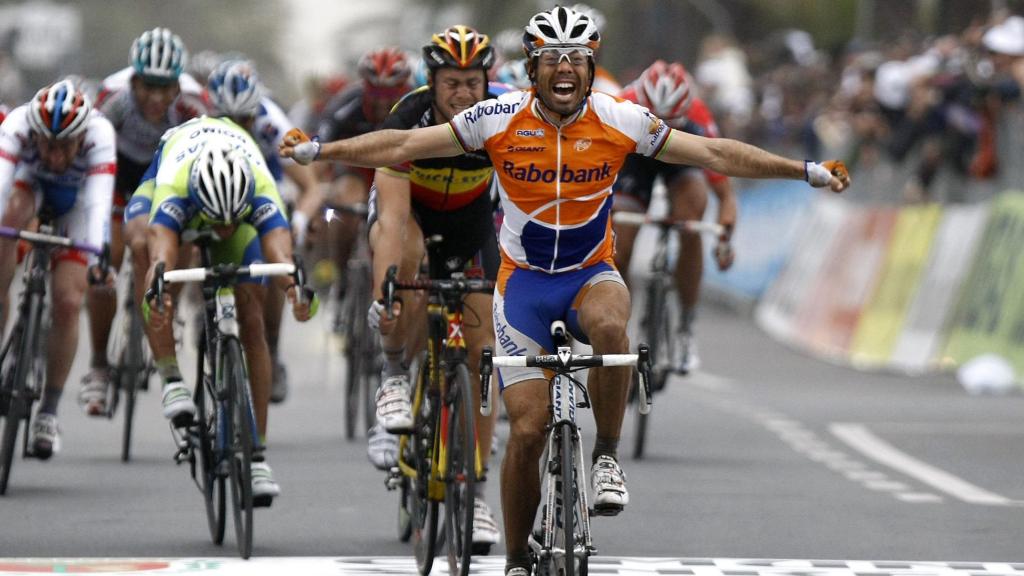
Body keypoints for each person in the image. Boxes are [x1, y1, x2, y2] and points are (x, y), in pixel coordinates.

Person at [279, 7, 850, 574]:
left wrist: (805, 170)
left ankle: (605, 456)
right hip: (523, 286)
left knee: (611, 327)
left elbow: (715, 153)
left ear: (589, 65)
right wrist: (320, 152)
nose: (565, 68)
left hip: (588, 276)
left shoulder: (620, 119)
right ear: (533, 67)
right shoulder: (496, 118)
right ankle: (515, 559)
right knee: (526, 431)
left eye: (576, 58)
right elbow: (401, 145)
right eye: (552, 58)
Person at [364, 24, 502, 550]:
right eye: (452, 82)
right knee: (411, 264)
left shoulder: (502, 119)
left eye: (473, 81)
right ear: (431, 82)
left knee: (483, 350)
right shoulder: (407, 120)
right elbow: (394, 223)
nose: (464, 93)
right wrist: (387, 294)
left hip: (471, 223)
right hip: (411, 216)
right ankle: (396, 373)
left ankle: (479, 492)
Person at [143, 116, 317, 503]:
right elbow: (162, 257)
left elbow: (280, 254)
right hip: (176, 178)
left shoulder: (260, 187)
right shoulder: (174, 187)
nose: (222, 230)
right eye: (218, 225)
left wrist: (294, 289)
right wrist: (161, 293)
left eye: (230, 223)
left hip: (234, 188)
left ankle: (256, 456)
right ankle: (171, 378)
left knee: (252, 318)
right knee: (149, 260)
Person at [80, 26, 207, 416]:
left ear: (176, 86)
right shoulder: (113, 99)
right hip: (119, 179)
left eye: (163, 87)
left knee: (181, 236)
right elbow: (87, 155)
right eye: (146, 87)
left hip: (168, 179)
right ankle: (99, 365)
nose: (154, 97)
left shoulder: (194, 103)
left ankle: (173, 305)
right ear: (133, 79)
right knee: (107, 263)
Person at [0, 80, 115, 458]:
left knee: (67, 301)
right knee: (11, 212)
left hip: (76, 205)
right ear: (34, 133)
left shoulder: (100, 134)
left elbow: (99, 203)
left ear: (82, 138)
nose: (54, 155)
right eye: (47, 144)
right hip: (28, 190)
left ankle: (48, 410)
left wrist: (99, 258)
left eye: (66, 145)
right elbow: (1, 184)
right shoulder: (17, 124)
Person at [206, 58, 322, 403]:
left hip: (264, 192)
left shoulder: (274, 123)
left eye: (245, 120)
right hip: (216, 195)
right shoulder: (198, 118)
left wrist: (299, 221)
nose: (239, 128)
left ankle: (270, 346)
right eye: (229, 120)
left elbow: (311, 187)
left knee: (276, 261)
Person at [614, 59, 737, 373]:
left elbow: (724, 190)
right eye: (658, 120)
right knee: (619, 245)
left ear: (686, 110)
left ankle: (685, 325)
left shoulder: (698, 114)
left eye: (673, 120)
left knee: (691, 219)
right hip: (634, 161)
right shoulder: (620, 105)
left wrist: (724, 237)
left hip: (678, 158)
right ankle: (617, 327)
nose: (665, 125)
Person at [317, 47, 412, 332]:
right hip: (357, 171)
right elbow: (318, 151)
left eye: (391, 93)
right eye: (376, 93)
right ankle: (342, 280)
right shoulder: (346, 103)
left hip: (400, 171)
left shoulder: (415, 103)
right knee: (346, 203)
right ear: (364, 86)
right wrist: (320, 188)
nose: (383, 102)